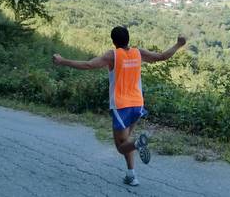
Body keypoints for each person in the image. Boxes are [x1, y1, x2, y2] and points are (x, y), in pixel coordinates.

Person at [52, 26, 186, 186]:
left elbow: (88, 65)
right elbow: (162, 56)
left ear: (113, 41)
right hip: (137, 104)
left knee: (121, 146)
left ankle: (138, 144)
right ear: (128, 38)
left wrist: (63, 61)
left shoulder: (112, 56)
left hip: (121, 106)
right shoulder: (139, 53)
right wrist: (178, 45)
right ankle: (131, 175)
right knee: (126, 141)